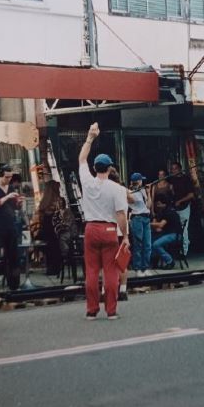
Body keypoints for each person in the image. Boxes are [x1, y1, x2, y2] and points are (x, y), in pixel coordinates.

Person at [78, 123, 129, 320]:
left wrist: (90, 137)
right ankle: (111, 310)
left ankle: (91, 310)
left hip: (91, 228)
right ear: (109, 168)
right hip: (109, 229)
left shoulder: (87, 182)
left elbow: (81, 157)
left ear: (94, 167)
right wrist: (124, 236)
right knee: (111, 272)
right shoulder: (116, 189)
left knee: (91, 271)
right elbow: (121, 215)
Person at [0, 163, 24, 290]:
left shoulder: (11, 189)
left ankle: (14, 285)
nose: (9, 180)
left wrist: (19, 203)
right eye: (6, 177)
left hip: (10, 225)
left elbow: (15, 207)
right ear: (0, 175)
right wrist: (7, 197)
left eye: (10, 177)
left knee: (13, 256)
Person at [108, 166, 128, 301]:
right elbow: (133, 199)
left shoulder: (105, 190)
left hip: (110, 228)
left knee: (108, 261)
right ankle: (123, 289)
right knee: (122, 261)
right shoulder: (122, 189)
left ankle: (107, 289)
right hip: (123, 228)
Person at [128, 172, 152, 277]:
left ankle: (145, 267)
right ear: (138, 181)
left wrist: (148, 192)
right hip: (137, 218)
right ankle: (137, 268)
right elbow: (134, 202)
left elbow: (148, 206)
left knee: (147, 244)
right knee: (138, 244)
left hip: (146, 218)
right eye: (141, 180)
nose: (142, 181)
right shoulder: (130, 192)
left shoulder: (142, 190)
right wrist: (135, 189)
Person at [36, 180, 63, 276]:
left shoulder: (45, 202)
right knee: (55, 248)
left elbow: (41, 214)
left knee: (48, 249)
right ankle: (56, 267)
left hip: (46, 229)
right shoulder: (58, 200)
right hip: (56, 230)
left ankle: (50, 267)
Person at [169, 162, 195, 256]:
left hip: (184, 207)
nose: (173, 170)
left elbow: (191, 195)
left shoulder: (186, 179)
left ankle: (184, 251)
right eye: (172, 169)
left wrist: (180, 201)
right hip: (175, 208)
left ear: (179, 169)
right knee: (176, 229)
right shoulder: (171, 180)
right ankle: (178, 249)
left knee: (184, 229)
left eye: (175, 168)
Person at [150, 195, 182, 269]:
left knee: (156, 244)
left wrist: (148, 224)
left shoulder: (168, 212)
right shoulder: (164, 211)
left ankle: (170, 261)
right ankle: (155, 260)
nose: (157, 205)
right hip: (169, 234)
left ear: (164, 204)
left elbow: (161, 225)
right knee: (153, 238)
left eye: (159, 204)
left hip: (174, 235)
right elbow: (158, 227)